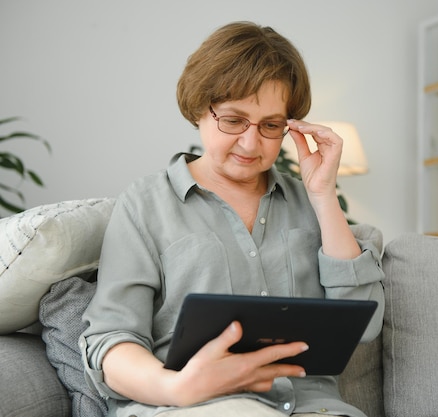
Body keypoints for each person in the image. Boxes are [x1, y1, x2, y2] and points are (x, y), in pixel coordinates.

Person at [80, 21, 384, 417]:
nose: (250, 142)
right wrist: (177, 387)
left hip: (314, 409)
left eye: (270, 126)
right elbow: (111, 339)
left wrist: (324, 196)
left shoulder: (309, 202)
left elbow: (365, 325)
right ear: (199, 109)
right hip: (196, 406)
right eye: (233, 120)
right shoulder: (144, 205)